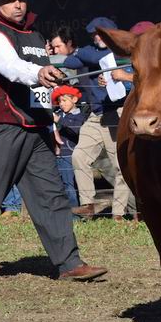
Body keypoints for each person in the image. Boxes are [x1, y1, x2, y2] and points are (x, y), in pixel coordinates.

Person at [0, 0, 107, 283]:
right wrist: (40, 71)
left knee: (51, 195)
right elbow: (13, 68)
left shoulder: (34, 36)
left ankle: (69, 263)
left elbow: (40, 89)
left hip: (36, 128)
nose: (18, 4)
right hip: (3, 127)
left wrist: (51, 124)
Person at [66, 17, 133, 220]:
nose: (97, 38)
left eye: (102, 34)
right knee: (79, 155)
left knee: (120, 166)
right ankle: (87, 204)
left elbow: (134, 81)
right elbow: (70, 61)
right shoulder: (93, 53)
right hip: (96, 115)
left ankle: (119, 214)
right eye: (94, 34)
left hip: (117, 113)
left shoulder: (124, 53)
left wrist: (116, 76)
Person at [52, 85, 87, 208]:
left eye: (64, 100)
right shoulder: (59, 114)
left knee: (70, 184)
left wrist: (59, 120)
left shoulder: (79, 116)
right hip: (58, 155)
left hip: (69, 154)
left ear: (74, 100)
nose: (61, 104)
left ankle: (74, 211)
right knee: (60, 184)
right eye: (59, 101)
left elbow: (76, 130)